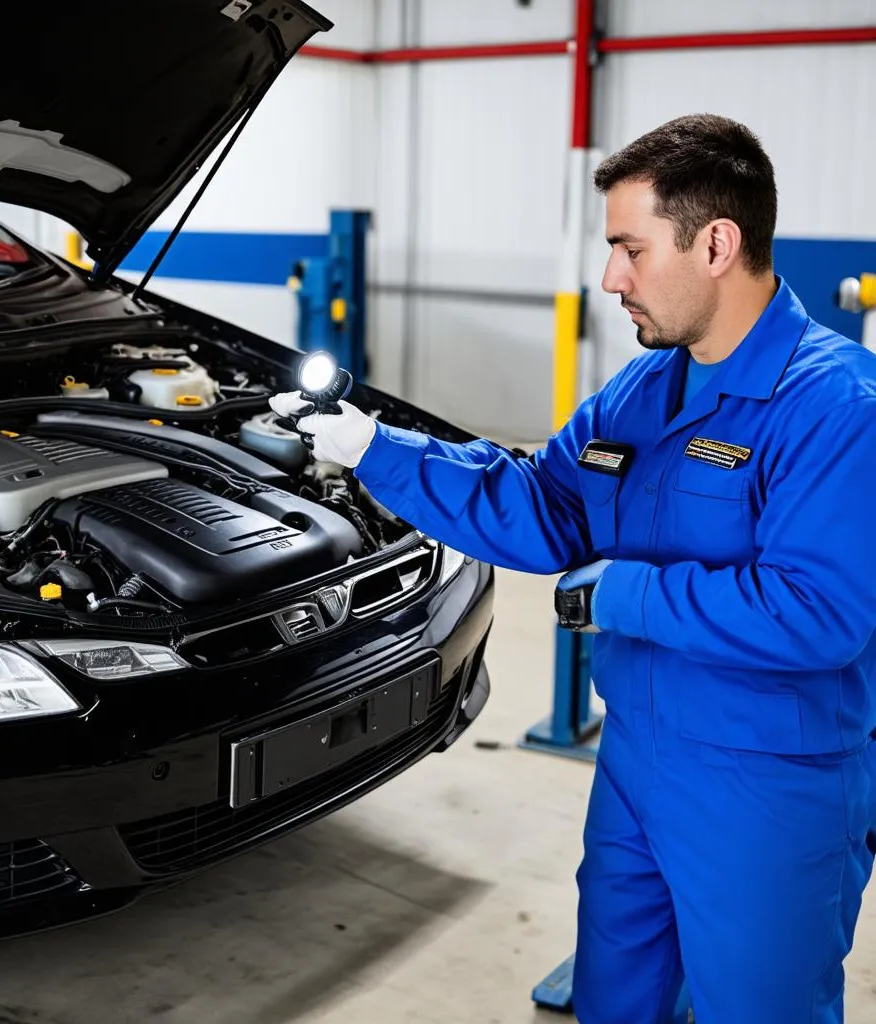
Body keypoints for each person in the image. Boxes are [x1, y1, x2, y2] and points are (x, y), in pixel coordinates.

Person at [270, 113, 876, 1024]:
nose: (610, 278)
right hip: (637, 757)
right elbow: (548, 505)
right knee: (614, 997)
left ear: (716, 243)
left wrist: (623, 593)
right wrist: (375, 451)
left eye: (631, 249)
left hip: (768, 784)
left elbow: (820, 612)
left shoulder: (836, 405)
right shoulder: (645, 387)